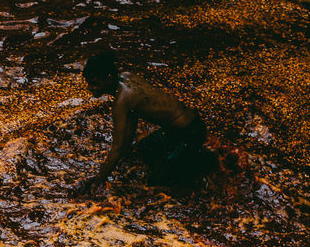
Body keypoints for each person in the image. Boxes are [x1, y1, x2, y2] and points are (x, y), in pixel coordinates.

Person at [80, 50, 214, 192]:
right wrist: (122, 155)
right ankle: (181, 158)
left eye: (94, 83)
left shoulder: (122, 102)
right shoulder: (126, 76)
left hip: (190, 134)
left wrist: (100, 179)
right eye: (89, 83)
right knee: (142, 150)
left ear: (108, 77)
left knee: (157, 184)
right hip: (181, 128)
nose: (90, 88)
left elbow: (117, 147)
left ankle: (203, 159)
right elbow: (130, 124)